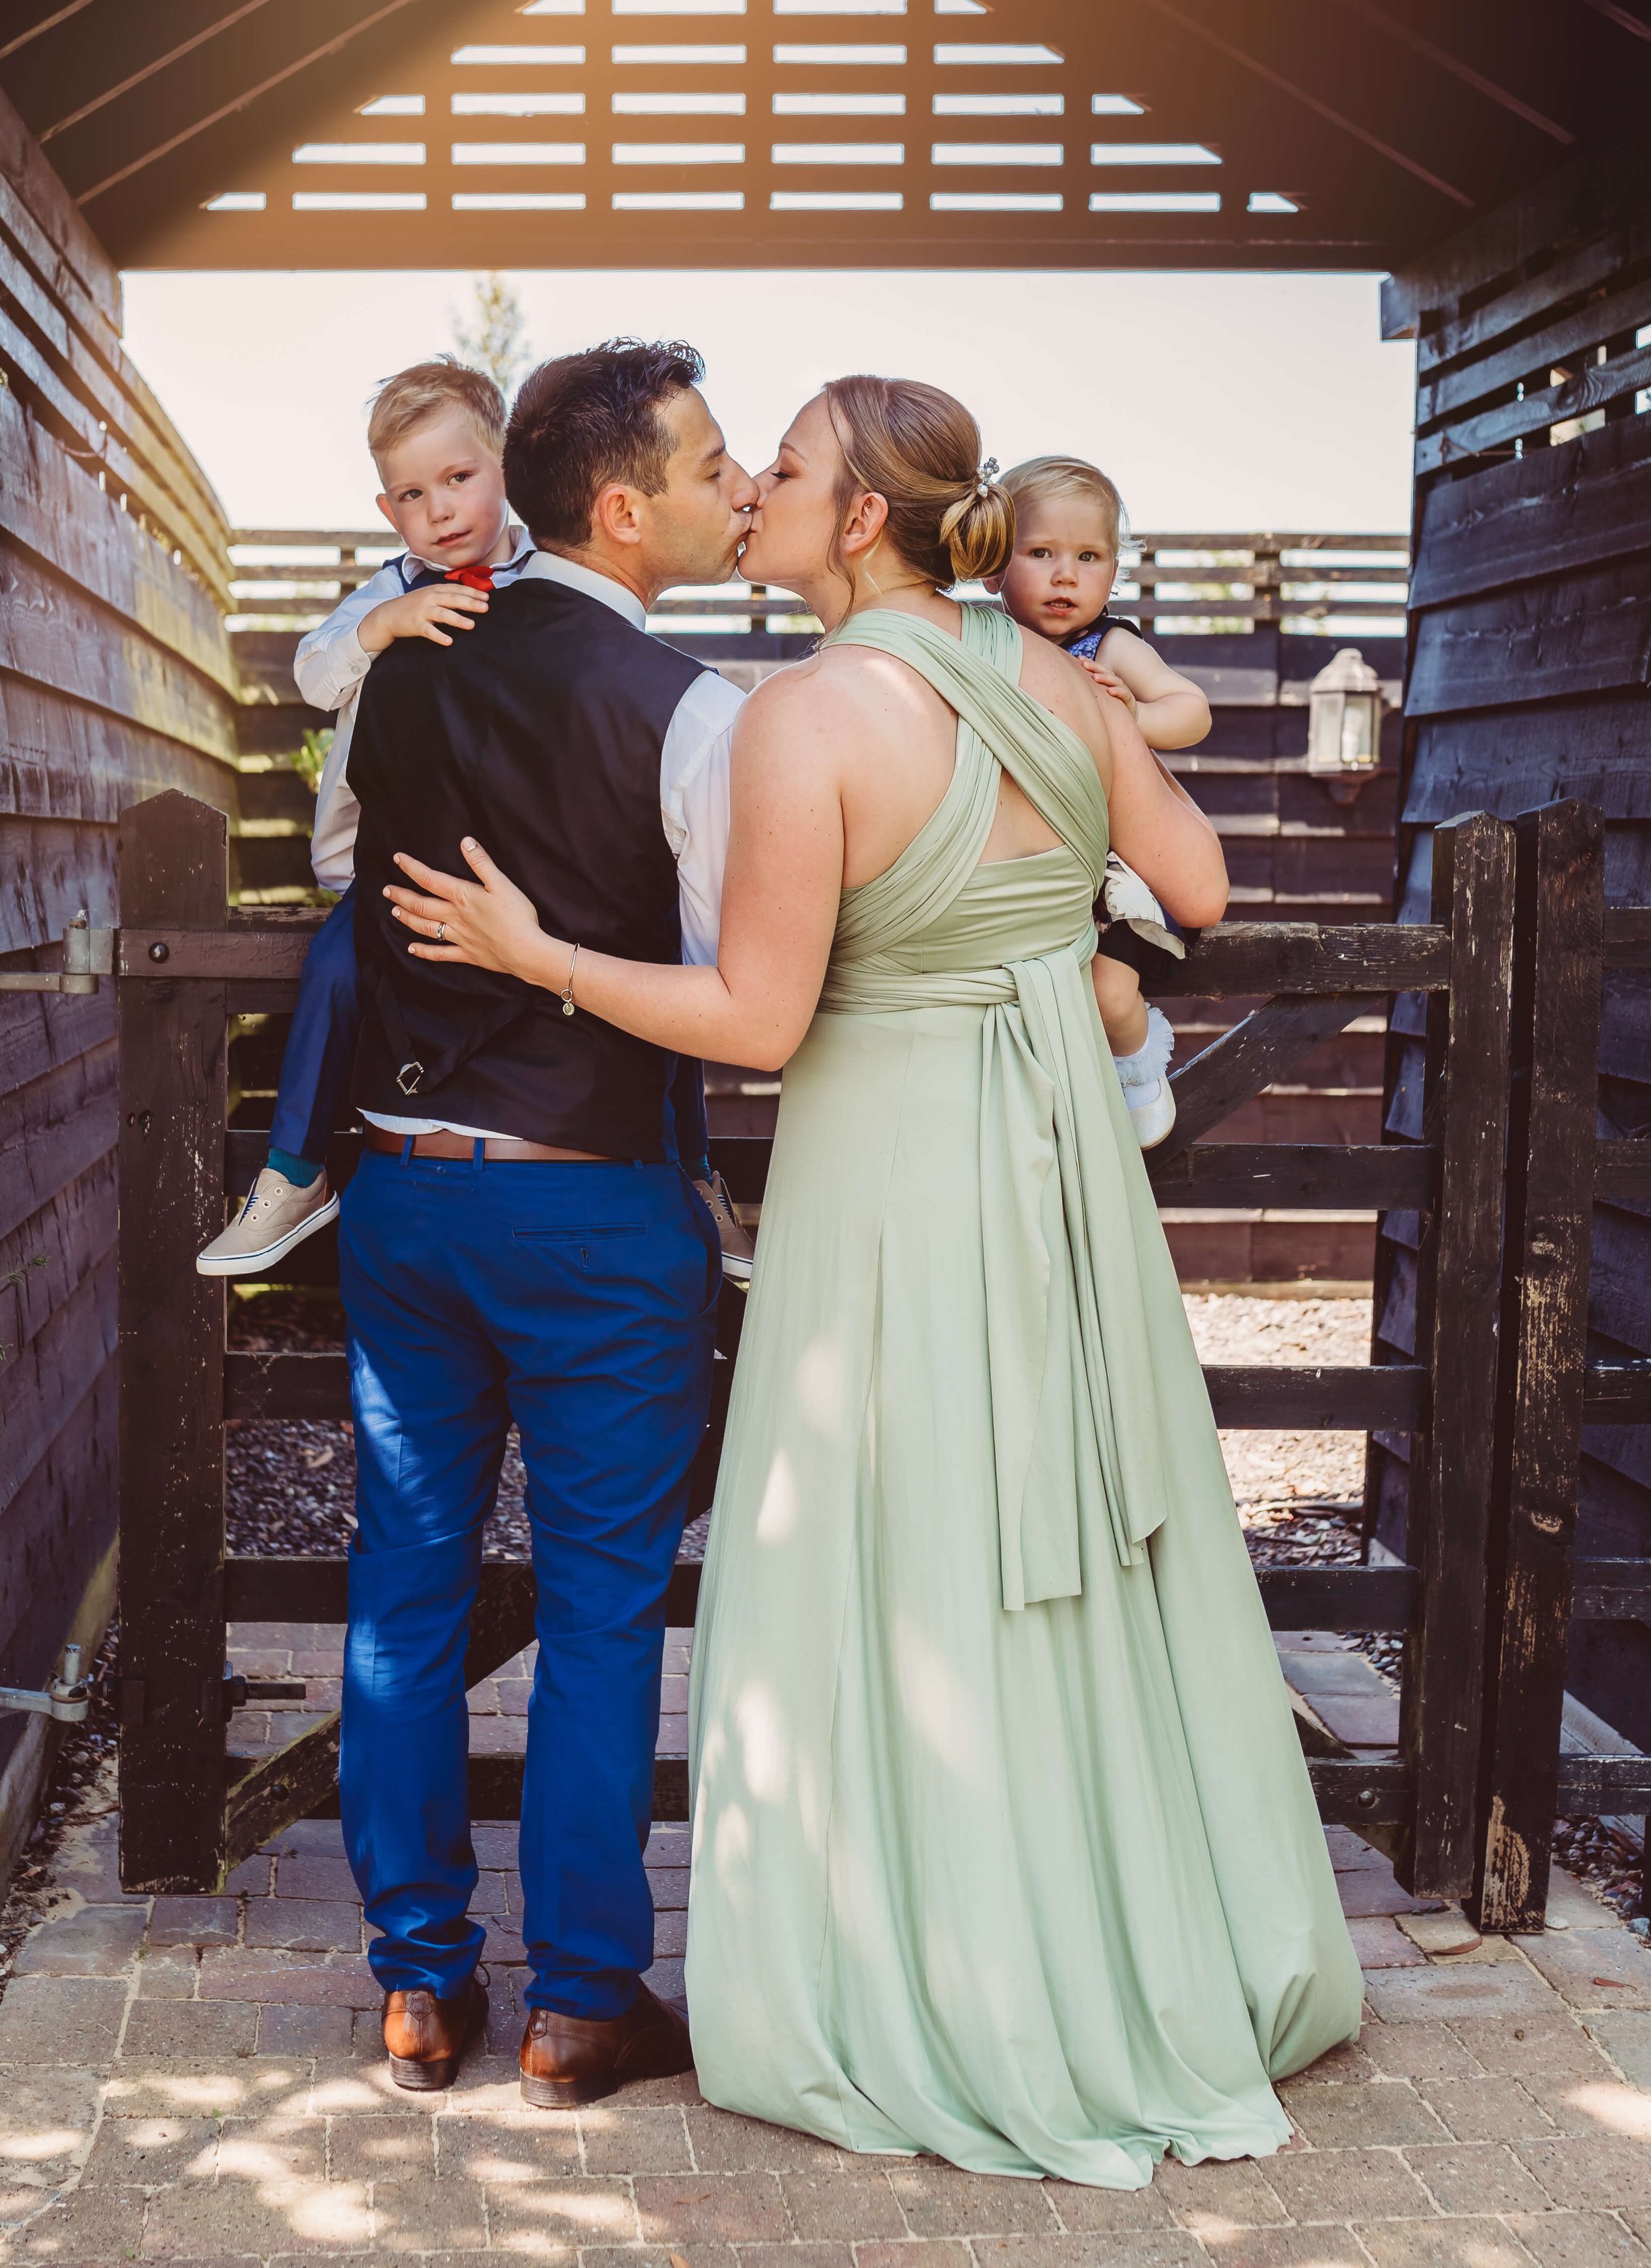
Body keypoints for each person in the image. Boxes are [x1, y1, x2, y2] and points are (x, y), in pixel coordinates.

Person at [384, 374, 1363, 2182]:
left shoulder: (802, 717)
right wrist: (1051, 945)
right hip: (1056, 1161)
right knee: (1057, 1526)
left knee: (899, 1535)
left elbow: (755, 1019)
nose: (750, 483)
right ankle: (1135, 1931)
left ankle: (937, 1958)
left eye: (790, 465)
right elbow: (1203, 882)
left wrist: (539, 951)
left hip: (893, 1169)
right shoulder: (1057, 676)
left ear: (857, 520)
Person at [336, 340, 761, 2109]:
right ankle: (581, 1999)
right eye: (711, 462)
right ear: (619, 500)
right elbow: (744, 975)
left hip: (408, 1195)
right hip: (592, 1208)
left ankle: (420, 1983)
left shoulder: (401, 672)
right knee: (600, 1610)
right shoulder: (693, 707)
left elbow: (358, 883)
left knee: (403, 1593)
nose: (733, 488)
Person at [197, 359, 526, 1277]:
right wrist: (386, 626)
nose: (443, 510)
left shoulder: (555, 578)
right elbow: (310, 674)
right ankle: (294, 1171)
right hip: (401, 858)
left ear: (505, 468)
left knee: (641, 954)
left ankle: (692, 1170)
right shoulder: (388, 588)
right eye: (414, 494)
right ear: (389, 511)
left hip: (532, 854)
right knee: (339, 964)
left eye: (461, 478)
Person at [989, 454, 1214, 1149]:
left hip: (1116, 871)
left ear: (1114, 569)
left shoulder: (1110, 646)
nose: (1066, 575)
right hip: (1024, 859)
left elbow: (1192, 710)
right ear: (995, 564)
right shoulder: (985, 640)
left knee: (1109, 992)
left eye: (1089, 556)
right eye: (1041, 553)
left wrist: (1133, 717)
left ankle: (1139, 1067)